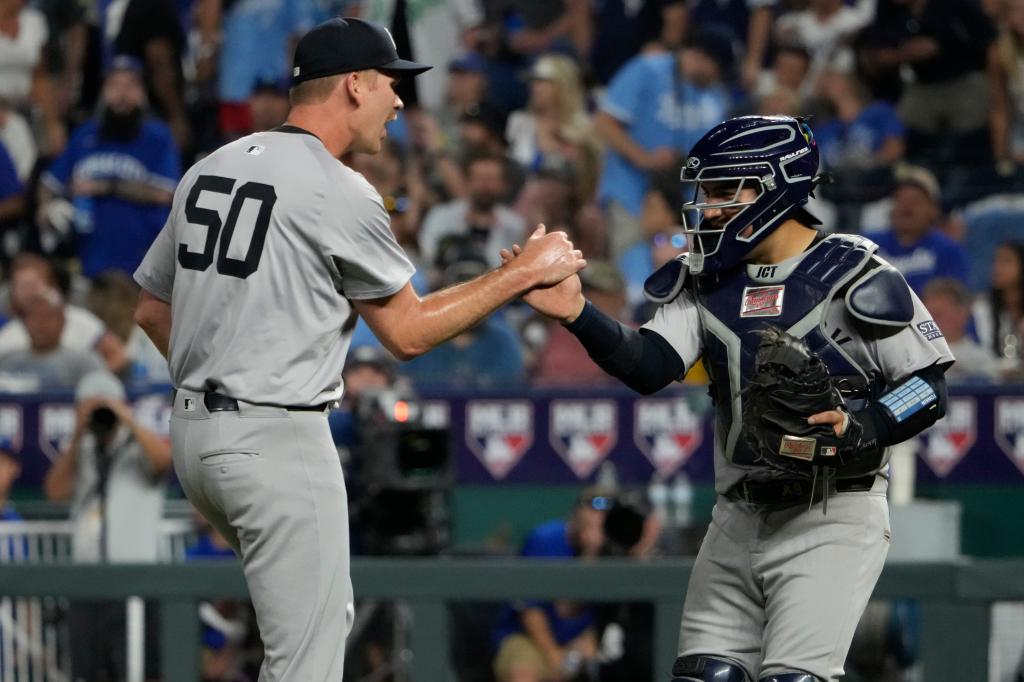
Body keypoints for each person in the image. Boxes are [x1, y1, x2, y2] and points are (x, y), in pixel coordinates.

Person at [131, 16, 586, 680]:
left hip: (197, 440)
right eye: (389, 83)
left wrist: (216, 381)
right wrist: (520, 274)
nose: (399, 101)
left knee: (298, 632)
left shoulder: (214, 165)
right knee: (306, 661)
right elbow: (407, 332)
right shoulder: (336, 188)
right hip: (275, 436)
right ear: (352, 85)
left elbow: (149, 308)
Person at [507, 115, 953, 681]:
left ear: (780, 185)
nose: (709, 207)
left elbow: (929, 386)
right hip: (737, 512)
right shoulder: (705, 277)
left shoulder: (854, 270)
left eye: (725, 190)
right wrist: (577, 313)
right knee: (703, 676)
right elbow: (649, 366)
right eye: (706, 192)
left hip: (832, 509)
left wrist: (866, 425)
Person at [43, 369, 171, 680]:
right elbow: (55, 491)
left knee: (136, 669)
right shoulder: (83, 451)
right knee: (86, 670)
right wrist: (76, 436)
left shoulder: (138, 446)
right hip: (87, 582)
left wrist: (125, 418)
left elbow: (164, 462)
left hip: (135, 582)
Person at [38, 55, 180, 278]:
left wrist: (107, 186)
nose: (122, 95)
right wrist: (45, 209)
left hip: (143, 261)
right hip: (89, 257)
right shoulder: (85, 134)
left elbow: (167, 194)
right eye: (114, 86)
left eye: (130, 85)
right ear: (103, 93)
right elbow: (49, 184)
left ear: (142, 93)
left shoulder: (157, 137)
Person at [491, 488, 611, 682]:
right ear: (576, 513)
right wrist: (553, 655)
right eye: (591, 510)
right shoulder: (545, 539)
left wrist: (593, 553)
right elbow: (531, 609)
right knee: (523, 672)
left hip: (587, 637)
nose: (597, 519)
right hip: (529, 636)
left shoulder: (614, 546)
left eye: (605, 515)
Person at [871, 165, 970, 295]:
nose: (907, 207)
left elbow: (956, 304)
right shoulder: (870, 245)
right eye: (900, 200)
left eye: (915, 201)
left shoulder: (949, 251)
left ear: (934, 209)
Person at [921, 278, 1001, 382]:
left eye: (937, 314)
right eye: (926, 316)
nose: (930, 323)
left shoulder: (981, 359)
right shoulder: (912, 358)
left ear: (962, 314)